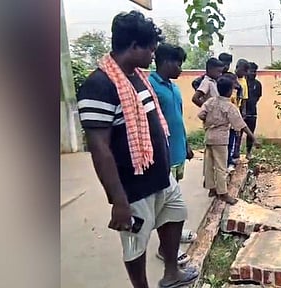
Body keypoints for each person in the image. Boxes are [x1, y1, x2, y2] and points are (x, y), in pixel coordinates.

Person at [76, 11, 198, 288]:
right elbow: (100, 149)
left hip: (160, 176)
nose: (153, 56)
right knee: (136, 244)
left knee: (176, 214)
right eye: (151, 49)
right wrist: (118, 201)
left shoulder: (138, 78)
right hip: (132, 186)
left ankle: (171, 274)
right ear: (133, 46)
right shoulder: (99, 86)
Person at [148, 43, 197, 266]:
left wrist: (185, 144)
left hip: (177, 152)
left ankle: (172, 236)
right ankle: (165, 247)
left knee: (173, 201)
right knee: (162, 203)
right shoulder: (150, 86)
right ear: (165, 62)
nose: (180, 68)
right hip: (161, 156)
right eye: (178, 63)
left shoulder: (174, 88)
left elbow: (178, 119)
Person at [198, 75, 260, 205]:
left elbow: (201, 113)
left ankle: (211, 188)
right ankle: (223, 193)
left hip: (209, 136)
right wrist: (253, 138)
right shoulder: (230, 107)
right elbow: (241, 124)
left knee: (209, 164)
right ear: (229, 91)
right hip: (221, 138)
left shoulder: (210, 102)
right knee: (221, 166)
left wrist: (205, 118)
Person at [228, 59, 250, 169]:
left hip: (237, 109)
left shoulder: (244, 81)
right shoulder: (230, 77)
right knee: (230, 134)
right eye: (244, 71)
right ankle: (229, 157)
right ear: (237, 68)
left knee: (237, 133)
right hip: (228, 110)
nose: (245, 74)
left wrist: (243, 111)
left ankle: (234, 154)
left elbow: (244, 98)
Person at [244, 62, 262, 160]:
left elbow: (258, 96)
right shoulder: (242, 82)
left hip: (252, 112)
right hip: (242, 112)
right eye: (251, 71)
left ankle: (248, 152)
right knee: (238, 133)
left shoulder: (257, 84)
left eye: (255, 71)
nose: (253, 73)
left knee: (250, 133)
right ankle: (235, 153)